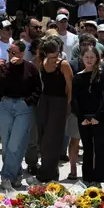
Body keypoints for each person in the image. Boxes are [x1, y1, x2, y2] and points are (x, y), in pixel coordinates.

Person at [0, 41, 41, 191]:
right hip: (6, 105)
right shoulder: (4, 68)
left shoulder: (31, 68)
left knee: (15, 143)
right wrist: (10, 68)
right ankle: (16, 175)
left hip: (23, 107)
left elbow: (37, 89)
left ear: (22, 54)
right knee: (7, 144)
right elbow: (1, 85)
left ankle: (6, 177)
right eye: (9, 51)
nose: (11, 55)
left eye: (14, 52)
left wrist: (28, 102)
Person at [35, 38, 71, 182]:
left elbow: (69, 88)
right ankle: (44, 169)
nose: (54, 59)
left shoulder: (63, 65)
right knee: (43, 138)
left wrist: (67, 106)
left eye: (56, 55)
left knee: (53, 139)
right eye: (51, 56)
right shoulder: (41, 63)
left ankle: (50, 173)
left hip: (59, 102)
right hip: (44, 101)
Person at [72, 47, 104, 185]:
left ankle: (98, 178)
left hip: (99, 118)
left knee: (99, 147)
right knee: (87, 147)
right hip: (84, 118)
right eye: (86, 57)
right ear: (82, 58)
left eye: (92, 57)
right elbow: (74, 99)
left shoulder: (101, 75)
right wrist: (82, 118)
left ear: (97, 58)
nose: (89, 60)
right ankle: (86, 177)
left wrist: (97, 117)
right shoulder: (78, 76)